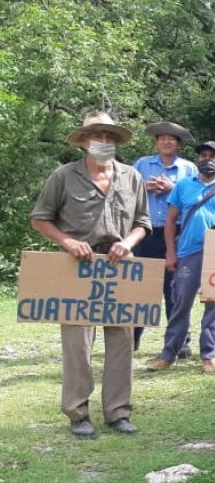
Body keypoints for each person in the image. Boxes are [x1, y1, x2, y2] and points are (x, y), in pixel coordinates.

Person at [30, 111, 151, 438]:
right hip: (77, 269)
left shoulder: (132, 177)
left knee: (122, 342)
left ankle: (118, 412)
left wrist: (128, 243)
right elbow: (40, 219)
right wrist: (68, 242)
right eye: (98, 136)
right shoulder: (63, 176)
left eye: (111, 137)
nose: (105, 142)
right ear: (83, 141)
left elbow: (143, 223)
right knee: (77, 345)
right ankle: (78, 413)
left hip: (120, 268)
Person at [146, 141, 215, 373]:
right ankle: (169, 353)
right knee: (180, 303)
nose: (207, 159)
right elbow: (171, 221)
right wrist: (170, 252)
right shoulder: (183, 185)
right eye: (203, 155)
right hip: (187, 252)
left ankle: (208, 355)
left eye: (213, 156)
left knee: (214, 304)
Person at [132, 121, 198, 353]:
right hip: (145, 232)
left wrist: (173, 188)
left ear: (179, 144)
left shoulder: (188, 168)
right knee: (141, 287)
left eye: (172, 138)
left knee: (176, 289)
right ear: (155, 142)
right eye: (162, 138)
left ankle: (180, 342)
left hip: (178, 234)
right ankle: (131, 339)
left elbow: (198, 195)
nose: (167, 142)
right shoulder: (142, 164)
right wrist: (145, 188)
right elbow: (126, 190)